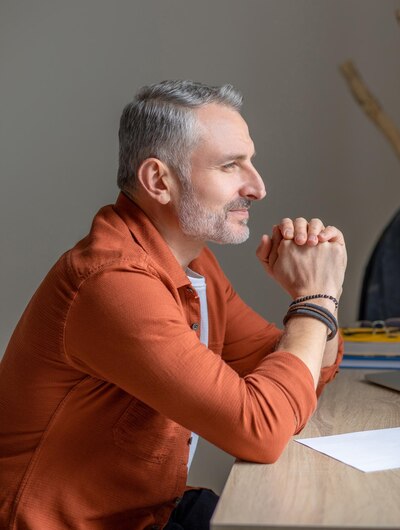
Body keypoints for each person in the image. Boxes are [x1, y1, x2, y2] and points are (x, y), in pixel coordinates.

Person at [0, 80, 347, 530]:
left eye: (251, 162)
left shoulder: (194, 262)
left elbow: (297, 377)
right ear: (159, 181)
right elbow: (260, 429)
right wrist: (313, 299)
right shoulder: (113, 283)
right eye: (231, 166)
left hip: (150, 512)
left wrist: (324, 293)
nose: (258, 187)